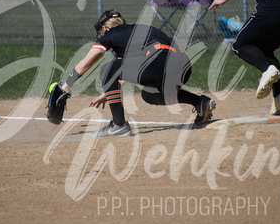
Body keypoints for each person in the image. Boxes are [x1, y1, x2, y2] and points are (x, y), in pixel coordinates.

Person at [57, 9, 216, 138]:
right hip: (183, 66)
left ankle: (119, 125)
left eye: (101, 32)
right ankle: (199, 103)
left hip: (160, 63)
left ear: (105, 28)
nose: (101, 35)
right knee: (149, 94)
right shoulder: (136, 31)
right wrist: (109, 92)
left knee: (106, 69)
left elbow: (84, 64)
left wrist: (65, 88)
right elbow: (131, 69)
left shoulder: (111, 34)